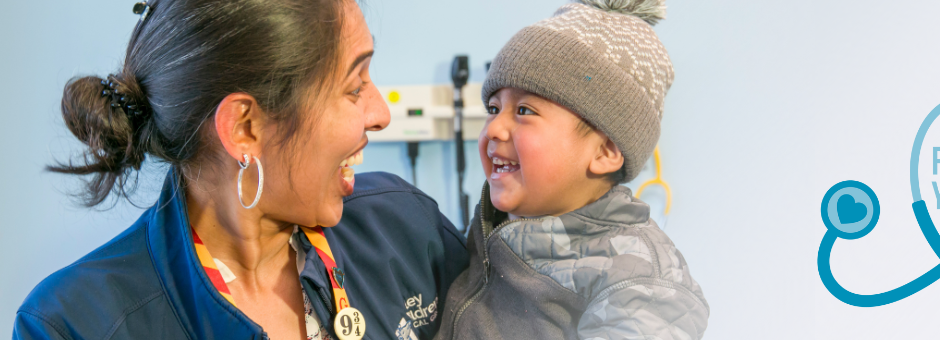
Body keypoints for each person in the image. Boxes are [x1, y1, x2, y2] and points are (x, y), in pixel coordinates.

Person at [13, 1, 466, 339]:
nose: (379, 113)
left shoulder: (407, 229)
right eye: (354, 86)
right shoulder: (72, 323)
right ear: (245, 128)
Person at [435, 0, 709, 339]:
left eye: (524, 110)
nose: (493, 129)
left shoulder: (640, 283)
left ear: (606, 151)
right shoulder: (490, 236)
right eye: (493, 108)